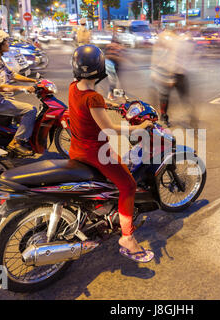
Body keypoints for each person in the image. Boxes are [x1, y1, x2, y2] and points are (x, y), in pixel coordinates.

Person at [69, 44, 154, 263]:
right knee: (129, 185)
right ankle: (127, 238)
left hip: (76, 149)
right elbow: (108, 129)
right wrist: (139, 128)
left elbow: (87, 105)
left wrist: (112, 104)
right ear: (99, 68)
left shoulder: (73, 88)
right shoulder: (93, 98)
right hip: (95, 153)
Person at [0, 29, 38, 156]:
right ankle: (17, 142)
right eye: (6, 41)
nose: (8, 44)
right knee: (31, 110)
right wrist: (23, 88)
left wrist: (34, 80)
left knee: (23, 110)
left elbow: (12, 75)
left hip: (2, 99)